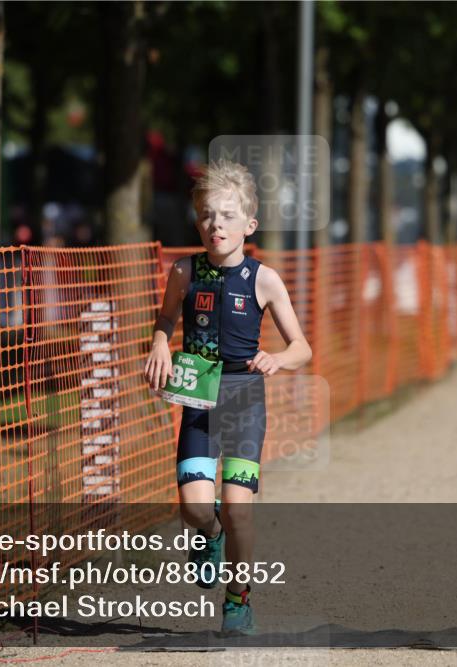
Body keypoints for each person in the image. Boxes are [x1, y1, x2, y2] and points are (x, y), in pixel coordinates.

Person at [143, 159, 312, 635]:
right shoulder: (183, 271)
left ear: (249, 225)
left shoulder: (263, 279)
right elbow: (165, 320)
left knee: (239, 509)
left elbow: (303, 347)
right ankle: (209, 535)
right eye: (207, 216)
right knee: (195, 509)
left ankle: (238, 599)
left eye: (228, 216)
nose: (216, 225)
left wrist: (278, 360)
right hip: (197, 400)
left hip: (243, 402)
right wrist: (160, 342)